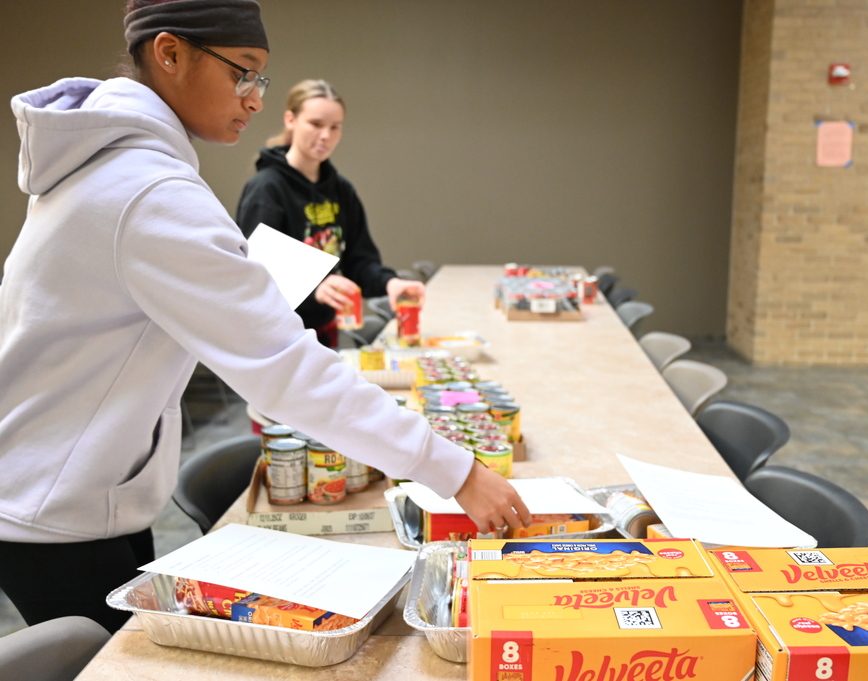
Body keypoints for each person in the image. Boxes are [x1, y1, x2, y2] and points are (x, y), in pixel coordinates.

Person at [0, 0, 528, 634]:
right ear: (170, 54)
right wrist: (456, 471)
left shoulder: (113, 167)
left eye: (260, 78)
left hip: (78, 484)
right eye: (241, 72)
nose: (252, 98)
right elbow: (286, 368)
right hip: (52, 501)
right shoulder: (149, 191)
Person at [236, 79, 424, 346]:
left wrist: (390, 283)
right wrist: (314, 288)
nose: (326, 135)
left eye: (335, 127)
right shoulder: (267, 188)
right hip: (275, 335)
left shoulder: (341, 190)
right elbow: (255, 270)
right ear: (291, 120)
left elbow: (360, 262)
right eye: (316, 124)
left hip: (323, 330)